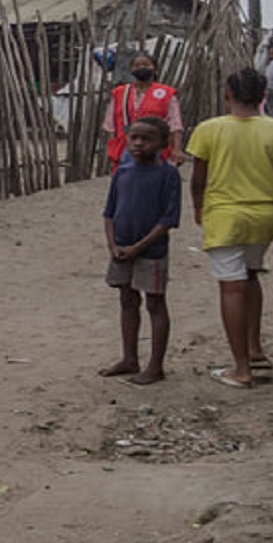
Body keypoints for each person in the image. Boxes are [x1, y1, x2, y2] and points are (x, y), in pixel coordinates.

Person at [187, 68, 273, 389]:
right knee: (251, 277)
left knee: (232, 286)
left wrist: (199, 208)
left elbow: (199, 179)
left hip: (225, 216)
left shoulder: (208, 130)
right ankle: (255, 349)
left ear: (227, 94)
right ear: (264, 96)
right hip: (264, 215)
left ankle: (241, 369)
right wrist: (269, 205)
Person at [99, 117, 182, 386]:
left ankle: (155, 366)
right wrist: (113, 245)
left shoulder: (168, 174)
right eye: (134, 137)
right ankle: (129, 358)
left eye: (146, 139)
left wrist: (138, 247)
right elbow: (109, 213)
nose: (138, 143)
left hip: (151, 251)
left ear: (163, 143)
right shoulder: (122, 172)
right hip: (121, 248)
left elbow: (169, 220)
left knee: (155, 304)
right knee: (127, 300)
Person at [107, 53, 184, 168]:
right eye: (137, 65)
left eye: (146, 65)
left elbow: (175, 125)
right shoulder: (119, 93)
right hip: (126, 149)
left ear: (155, 69)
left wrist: (177, 149)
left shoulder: (166, 94)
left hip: (155, 149)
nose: (141, 68)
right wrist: (113, 148)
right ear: (131, 69)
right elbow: (110, 125)